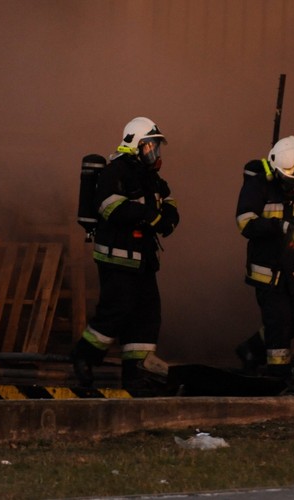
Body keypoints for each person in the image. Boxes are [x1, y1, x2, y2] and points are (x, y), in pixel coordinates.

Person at [71, 117, 179, 395]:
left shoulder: (152, 177)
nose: (154, 152)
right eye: (150, 146)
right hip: (117, 258)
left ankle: (135, 377)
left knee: (147, 317)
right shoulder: (115, 171)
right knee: (114, 312)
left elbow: (169, 204)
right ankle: (83, 358)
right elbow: (109, 207)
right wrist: (148, 216)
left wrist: (166, 218)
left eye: (156, 147)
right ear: (135, 144)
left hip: (143, 261)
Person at [235, 135, 294, 380]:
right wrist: (279, 226)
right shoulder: (258, 185)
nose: (292, 185)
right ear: (277, 168)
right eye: (288, 179)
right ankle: (278, 376)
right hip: (268, 271)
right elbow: (245, 223)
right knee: (278, 325)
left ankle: (250, 349)